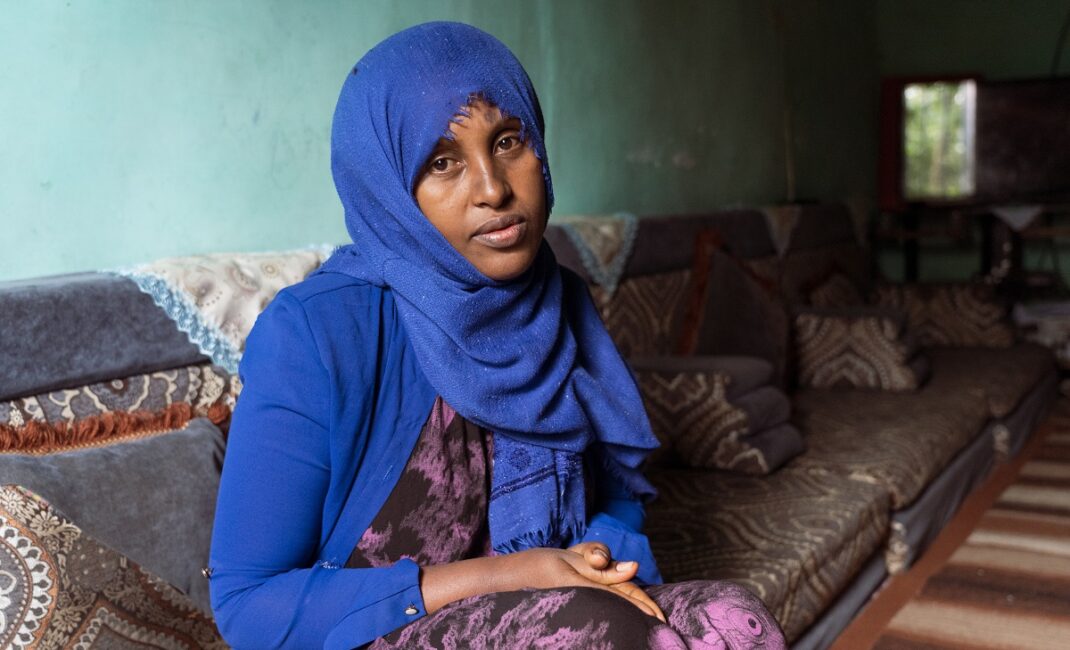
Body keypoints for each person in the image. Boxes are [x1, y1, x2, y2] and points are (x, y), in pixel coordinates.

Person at [208, 21, 787, 650]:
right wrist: (515, 573)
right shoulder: (317, 331)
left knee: (734, 618)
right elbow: (247, 605)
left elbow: (615, 501)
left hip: (549, 612)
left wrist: (595, 561)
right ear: (389, 191)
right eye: (442, 162)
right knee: (602, 633)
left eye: (508, 141)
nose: (493, 190)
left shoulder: (557, 300)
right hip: (375, 630)